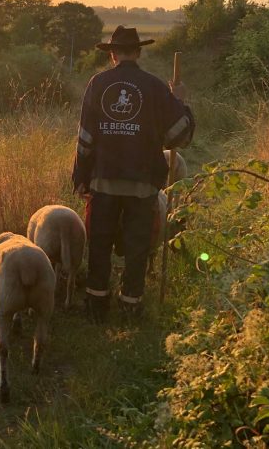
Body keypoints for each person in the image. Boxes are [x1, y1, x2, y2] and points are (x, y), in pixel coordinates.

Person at [72, 26, 194, 323]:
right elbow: (180, 133)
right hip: (142, 185)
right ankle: (131, 307)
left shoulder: (98, 83)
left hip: (103, 180)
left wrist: (81, 176)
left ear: (112, 54)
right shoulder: (154, 87)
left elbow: (85, 138)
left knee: (99, 244)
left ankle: (96, 306)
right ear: (138, 52)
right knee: (138, 247)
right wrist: (179, 101)